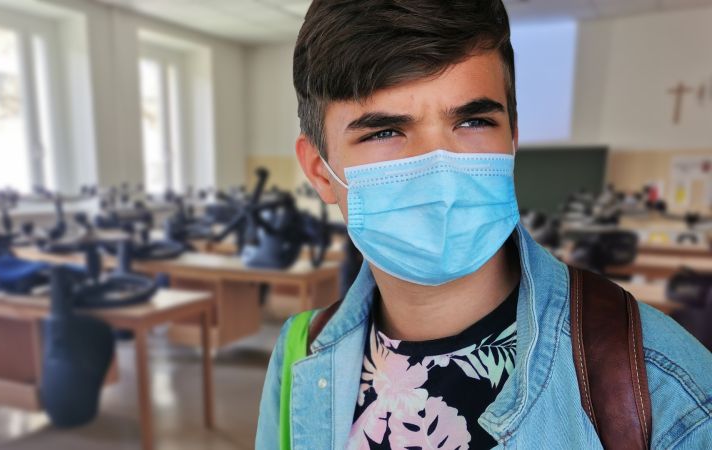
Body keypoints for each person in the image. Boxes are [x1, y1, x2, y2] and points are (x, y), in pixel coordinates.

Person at [256, 1, 712, 448]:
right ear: (319, 172)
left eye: (473, 121)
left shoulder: (666, 390)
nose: (439, 167)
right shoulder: (300, 354)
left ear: (512, 139)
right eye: (384, 132)